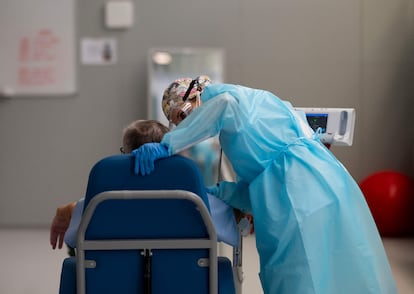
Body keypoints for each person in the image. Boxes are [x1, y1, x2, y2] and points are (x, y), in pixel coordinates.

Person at [132, 76, 397, 294]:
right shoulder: (256, 104)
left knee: (299, 276)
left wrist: (169, 145)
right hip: (325, 186)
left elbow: (224, 108)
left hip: (300, 196)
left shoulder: (226, 100)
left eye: (182, 120)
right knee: (343, 269)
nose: (184, 126)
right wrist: (219, 193)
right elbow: (262, 182)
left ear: (191, 102)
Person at [50, 119, 240, 253]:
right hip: (185, 280)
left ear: (127, 155)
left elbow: (73, 224)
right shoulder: (195, 201)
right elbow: (238, 221)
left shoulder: (103, 203)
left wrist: (63, 212)